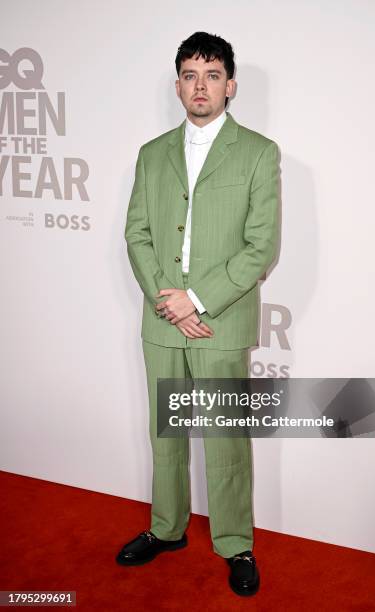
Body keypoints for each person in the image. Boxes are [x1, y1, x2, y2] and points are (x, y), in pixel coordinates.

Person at [116, 31, 280, 597]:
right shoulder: (151, 153)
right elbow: (136, 235)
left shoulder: (260, 152)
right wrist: (169, 298)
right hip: (162, 321)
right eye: (190, 75)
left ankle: (235, 543)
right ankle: (167, 529)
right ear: (178, 85)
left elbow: (261, 246)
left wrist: (198, 299)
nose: (200, 85)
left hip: (221, 322)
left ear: (230, 86)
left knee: (225, 440)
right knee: (166, 435)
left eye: (212, 75)